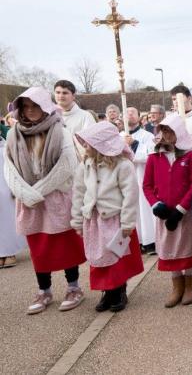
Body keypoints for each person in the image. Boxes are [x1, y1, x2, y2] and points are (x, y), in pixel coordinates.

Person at [4, 87, 86, 314]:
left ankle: (74, 287)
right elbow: (9, 168)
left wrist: (38, 190)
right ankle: (44, 290)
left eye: (35, 106)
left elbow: (67, 164)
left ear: (44, 107)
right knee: (38, 248)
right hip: (30, 202)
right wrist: (25, 193)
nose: (30, 111)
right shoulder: (13, 134)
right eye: (25, 107)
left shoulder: (60, 131)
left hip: (55, 197)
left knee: (65, 244)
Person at [71, 122, 145, 312]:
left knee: (115, 256)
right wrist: (78, 220)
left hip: (114, 218)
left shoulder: (122, 165)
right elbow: (78, 192)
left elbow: (130, 195)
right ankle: (106, 291)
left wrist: (128, 222)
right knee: (98, 257)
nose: (85, 146)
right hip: (93, 220)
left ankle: (119, 291)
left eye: (89, 143)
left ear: (102, 144)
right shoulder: (86, 164)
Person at [142, 115, 192, 308]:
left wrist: (181, 209)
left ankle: (190, 283)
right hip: (164, 212)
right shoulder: (154, 157)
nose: (166, 135)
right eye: (164, 131)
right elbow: (147, 186)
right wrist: (156, 205)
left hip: (184, 213)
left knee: (186, 246)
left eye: (170, 131)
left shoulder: (189, 156)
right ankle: (177, 286)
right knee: (170, 248)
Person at [123, 107, 157, 254]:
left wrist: (135, 144)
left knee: (144, 209)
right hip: (124, 179)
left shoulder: (147, 136)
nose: (129, 115)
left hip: (141, 176)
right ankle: (134, 241)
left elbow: (151, 155)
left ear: (139, 117)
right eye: (126, 113)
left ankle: (149, 241)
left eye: (133, 112)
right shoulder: (118, 135)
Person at [0, 134, 26, 269]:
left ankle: (10, 252)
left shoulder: (6, 148)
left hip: (5, 186)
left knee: (8, 218)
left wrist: (15, 187)